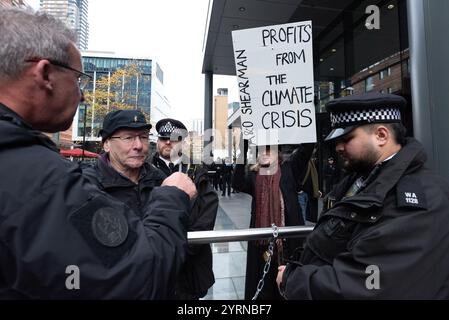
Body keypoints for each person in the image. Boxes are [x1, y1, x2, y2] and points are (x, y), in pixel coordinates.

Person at [0, 8, 196, 299]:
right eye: (79, 79)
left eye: (143, 137)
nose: (82, 95)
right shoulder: (46, 181)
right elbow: (140, 278)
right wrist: (172, 198)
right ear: (44, 73)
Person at [277, 92, 449, 299]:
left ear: (381, 135)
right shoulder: (364, 178)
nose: (338, 147)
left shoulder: (417, 201)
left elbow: (370, 282)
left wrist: (295, 281)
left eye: (347, 138)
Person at [232, 143, 314, 300]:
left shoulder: (290, 168)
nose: (266, 153)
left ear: (279, 153)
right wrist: (243, 148)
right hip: (261, 245)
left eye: (270, 149)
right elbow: (236, 183)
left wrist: (306, 126)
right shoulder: (254, 176)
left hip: (288, 243)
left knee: (287, 287)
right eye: (262, 150)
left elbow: (306, 149)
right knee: (264, 289)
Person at [152, 118, 219, 299]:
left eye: (174, 138)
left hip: (190, 267)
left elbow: (208, 211)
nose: (168, 142)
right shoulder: (145, 172)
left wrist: (182, 249)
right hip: (154, 265)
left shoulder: (197, 170)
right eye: (163, 138)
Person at [83, 109, 166, 218]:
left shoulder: (159, 179)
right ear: (107, 144)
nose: (139, 145)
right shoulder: (86, 185)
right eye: (128, 138)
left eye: (143, 137)